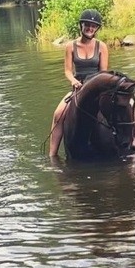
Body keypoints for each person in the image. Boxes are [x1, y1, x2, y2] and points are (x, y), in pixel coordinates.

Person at [48, 9, 110, 157]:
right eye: (87, 25)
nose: (90, 28)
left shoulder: (102, 46)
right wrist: (74, 81)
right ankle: (52, 154)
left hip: (96, 88)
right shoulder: (70, 46)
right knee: (58, 114)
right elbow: (68, 71)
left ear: (97, 28)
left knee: (121, 109)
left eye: (93, 26)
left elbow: (104, 72)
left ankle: (131, 142)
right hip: (78, 88)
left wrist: (98, 86)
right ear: (81, 25)